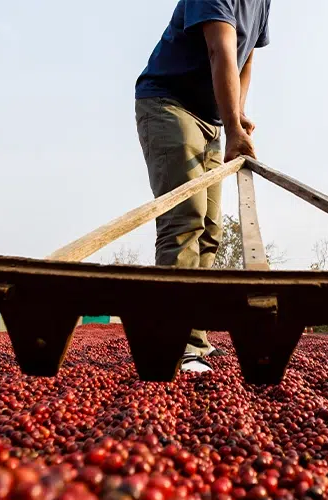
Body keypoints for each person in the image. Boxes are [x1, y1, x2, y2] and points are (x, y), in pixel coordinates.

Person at [135, 0, 271, 373]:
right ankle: (173, 343)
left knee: (210, 229)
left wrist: (237, 116)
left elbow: (245, 60)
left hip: (211, 118)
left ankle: (194, 339)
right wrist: (232, 129)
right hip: (169, 104)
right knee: (185, 219)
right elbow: (220, 48)